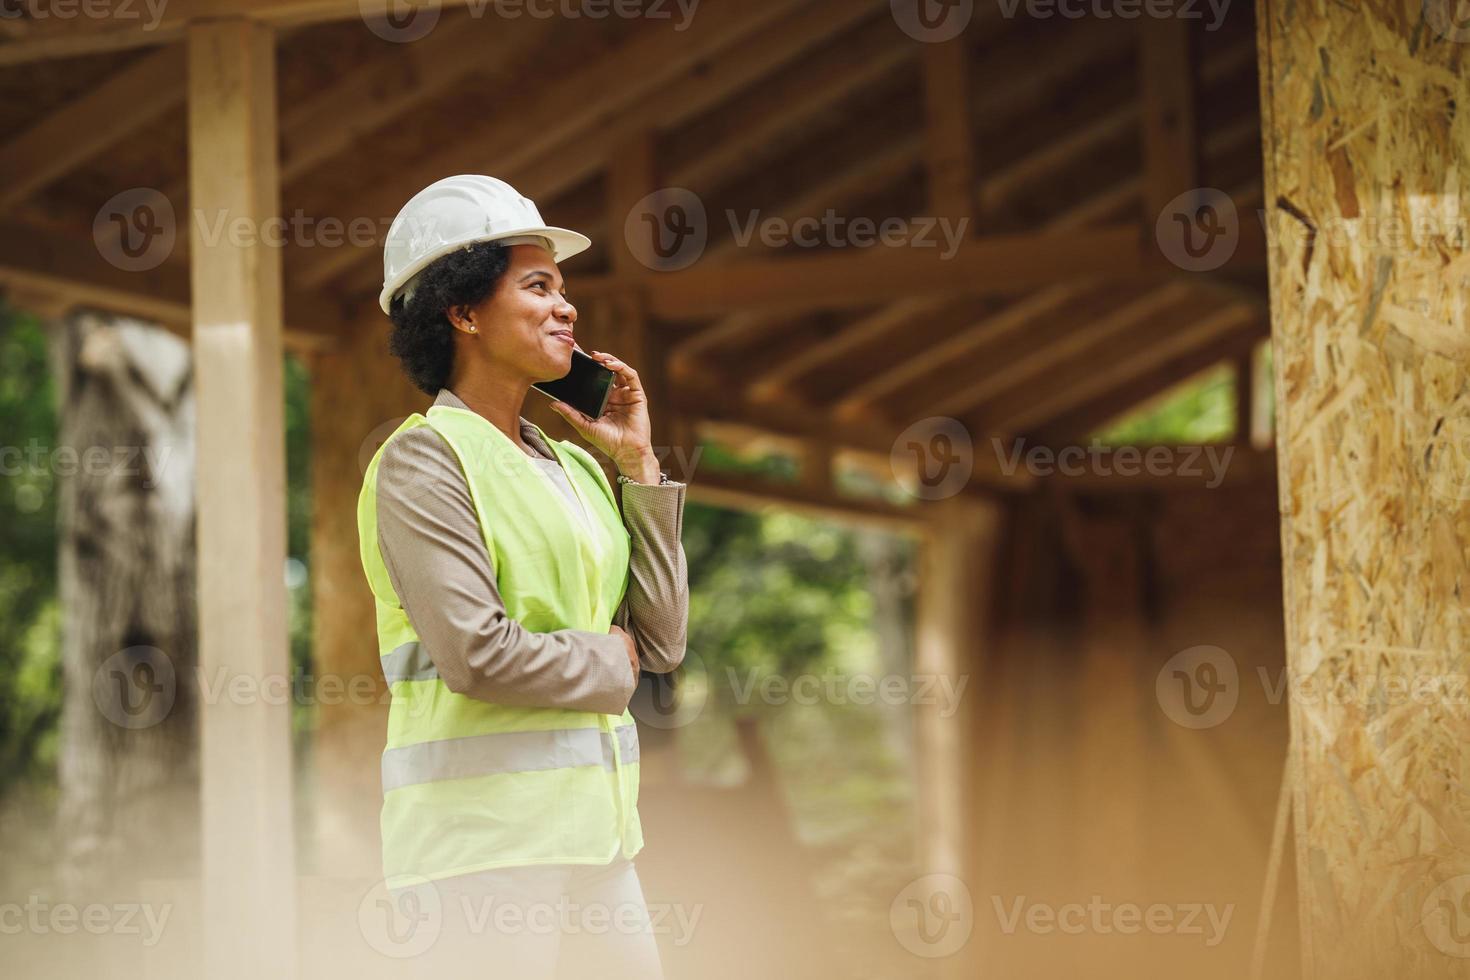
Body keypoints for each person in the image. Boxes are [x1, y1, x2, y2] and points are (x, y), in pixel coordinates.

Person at [356, 175, 688, 977]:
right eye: (538, 286)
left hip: (601, 843)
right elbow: (477, 654)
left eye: (564, 288)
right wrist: (610, 665)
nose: (566, 308)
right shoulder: (421, 462)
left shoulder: (576, 464)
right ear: (463, 311)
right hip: (478, 856)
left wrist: (639, 466)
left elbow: (664, 641)